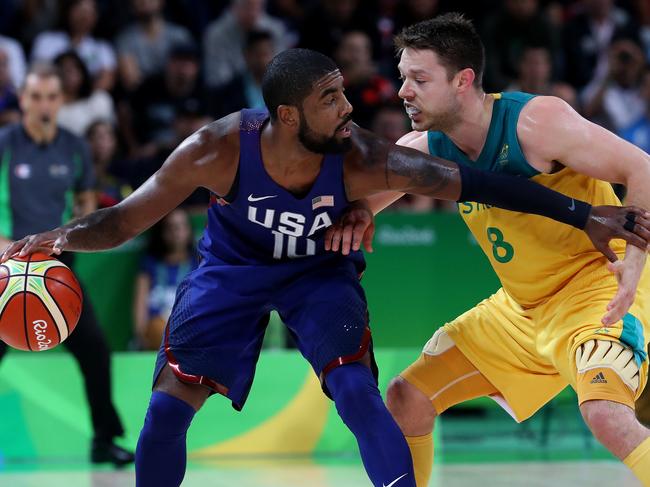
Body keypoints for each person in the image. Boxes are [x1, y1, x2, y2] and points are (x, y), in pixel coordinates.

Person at [3, 49, 650, 487]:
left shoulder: (364, 155)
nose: (349, 106)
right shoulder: (216, 148)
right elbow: (123, 221)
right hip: (231, 270)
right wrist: (49, 239)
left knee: (359, 392)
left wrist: (580, 213)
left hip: (319, 273)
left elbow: (475, 181)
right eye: (330, 97)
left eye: (343, 91)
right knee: (169, 407)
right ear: (288, 116)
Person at [330, 14, 650, 486]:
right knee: (406, 400)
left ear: (463, 81)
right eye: (402, 78)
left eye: (419, 79)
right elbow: (359, 205)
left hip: (596, 289)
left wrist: (635, 265)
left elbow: (641, 167)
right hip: (519, 311)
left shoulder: (538, 122)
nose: (403, 92)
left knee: (606, 415)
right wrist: (356, 213)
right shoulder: (422, 149)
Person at [0, 65, 134, 466]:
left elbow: (86, 205)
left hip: (55, 269)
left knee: (95, 349)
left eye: (51, 97)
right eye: (36, 96)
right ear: (23, 99)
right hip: (6, 268)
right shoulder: (4, 144)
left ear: (61, 101)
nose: (43, 104)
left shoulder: (74, 147)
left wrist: (67, 240)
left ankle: (104, 440)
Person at [133, 208, 198, 350]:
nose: (176, 233)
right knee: (158, 329)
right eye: (170, 227)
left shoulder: (197, 264)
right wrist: (140, 334)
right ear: (162, 232)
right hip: (157, 331)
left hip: (188, 328)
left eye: (180, 227)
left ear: (188, 230)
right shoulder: (149, 264)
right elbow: (140, 303)